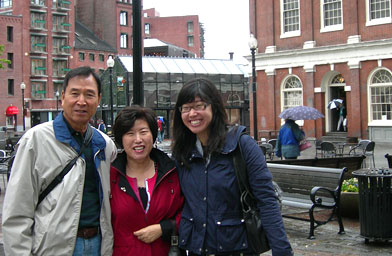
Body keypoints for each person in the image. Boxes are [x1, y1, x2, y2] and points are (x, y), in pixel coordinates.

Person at [2, 66, 118, 255]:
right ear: (63, 96)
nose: (81, 101)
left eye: (89, 95)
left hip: (98, 245)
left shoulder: (104, 144)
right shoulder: (35, 141)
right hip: (54, 248)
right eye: (75, 93)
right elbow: (17, 211)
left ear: (98, 100)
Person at [171, 77, 293, 256]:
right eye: (186, 108)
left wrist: (282, 251)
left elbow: (267, 201)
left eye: (199, 106)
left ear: (214, 107)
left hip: (236, 248)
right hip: (197, 249)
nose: (192, 114)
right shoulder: (183, 153)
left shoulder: (242, 145)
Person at [110, 106, 184, 256]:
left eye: (143, 132)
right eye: (130, 133)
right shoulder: (110, 176)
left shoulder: (171, 172)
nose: (138, 139)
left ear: (153, 134)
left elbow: (191, 211)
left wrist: (164, 229)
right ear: (120, 139)